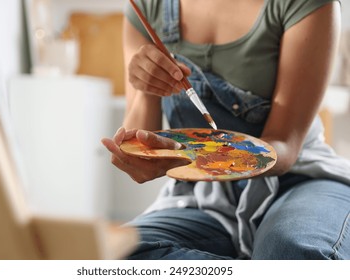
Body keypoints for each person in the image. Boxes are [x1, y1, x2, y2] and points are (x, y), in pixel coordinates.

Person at [102, 0, 350, 259]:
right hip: (206, 198)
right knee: (120, 253)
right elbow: (141, 140)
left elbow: (285, 145)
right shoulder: (146, 6)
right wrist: (145, 89)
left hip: (299, 181)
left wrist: (196, 156)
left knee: (290, 252)